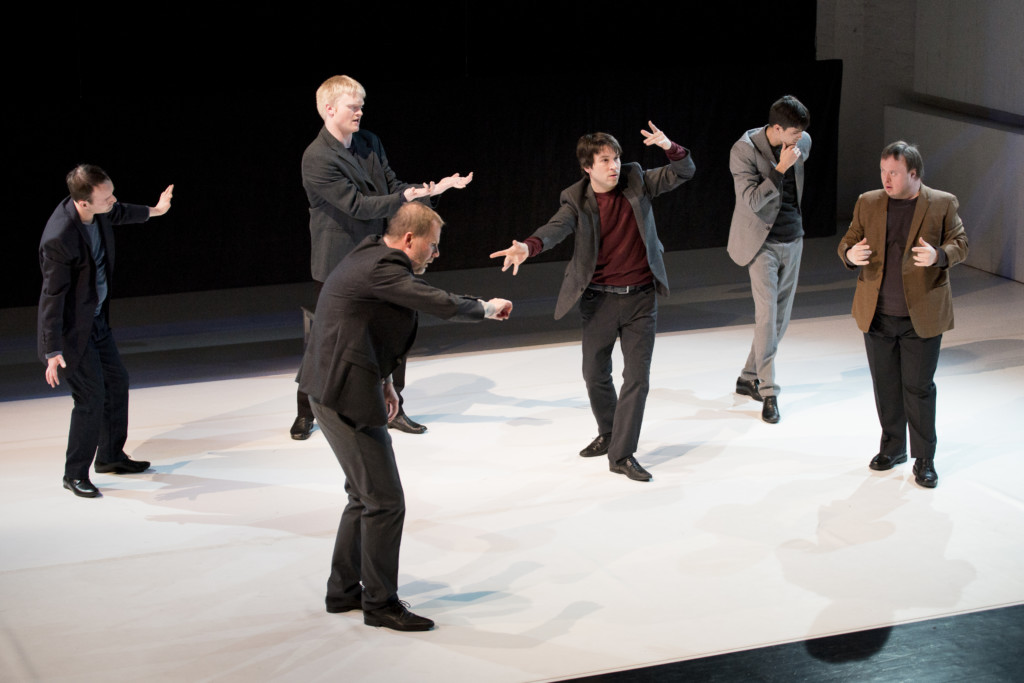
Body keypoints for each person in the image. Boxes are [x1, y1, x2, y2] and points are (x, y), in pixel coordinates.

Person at [299, 202, 512, 631]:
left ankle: (343, 592)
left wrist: (385, 381)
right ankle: (380, 604)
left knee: (363, 497)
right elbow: (432, 300)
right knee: (385, 501)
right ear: (410, 239)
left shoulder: (369, 253)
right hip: (343, 393)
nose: (436, 255)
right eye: (432, 247)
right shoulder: (383, 267)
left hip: (337, 384)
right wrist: (485, 307)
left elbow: (360, 325)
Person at [490, 122, 695, 482]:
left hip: (641, 298)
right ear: (587, 167)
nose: (614, 166)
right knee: (594, 373)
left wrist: (669, 146)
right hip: (599, 299)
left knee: (637, 378)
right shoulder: (575, 198)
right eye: (604, 160)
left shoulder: (637, 179)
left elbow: (685, 171)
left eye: (616, 158)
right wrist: (527, 246)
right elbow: (555, 229)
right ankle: (609, 431)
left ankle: (622, 453)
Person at [293, 74, 474, 440]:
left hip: (380, 253)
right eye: (353, 106)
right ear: (329, 110)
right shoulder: (316, 157)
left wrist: (430, 190)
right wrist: (405, 198)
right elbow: (357, 205)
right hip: (339, 261)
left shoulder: (369, 142)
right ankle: (307, 410)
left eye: (361, 105)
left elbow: (392, 186)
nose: (360, 112)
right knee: (326, 339)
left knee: (394, 326)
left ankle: (394, 407)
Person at [38, 164, 174, 498]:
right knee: (90, 398)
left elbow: (118, 212)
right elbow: (52, 297)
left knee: (117, 382)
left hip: (96, 320)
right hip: (73, 332)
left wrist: (155, 210)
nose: (113, 201)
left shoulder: (98, 211)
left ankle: (111, 456)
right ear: (84, 203)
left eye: (111, 193)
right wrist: (52, 350)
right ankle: (74, 473)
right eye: (106, 197)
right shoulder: (59, 238)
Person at [838, 141, 968, 488]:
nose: (886, 179)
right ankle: (893, 447)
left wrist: (940, 255)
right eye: (883, 172)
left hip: (921, 314)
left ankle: (924, 458)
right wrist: (851, 254)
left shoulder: (941, 203)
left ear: (913, 173)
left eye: (893, 173)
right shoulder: (869, 202)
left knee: (918, 387)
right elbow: (847, 241)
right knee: (886, 386)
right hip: (877, 314)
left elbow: (961, 242)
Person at [727, 95, 811, 424]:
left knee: (780, 321)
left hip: (794, 237)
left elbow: (805, 145)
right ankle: (768, 390)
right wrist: (780, 169)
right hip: (761, 242)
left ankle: (748, 375)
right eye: (793, 133)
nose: (799, 140)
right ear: (777, 129)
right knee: (766, 317)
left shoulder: (802, 139)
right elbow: (751, 201)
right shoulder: (744, 150)